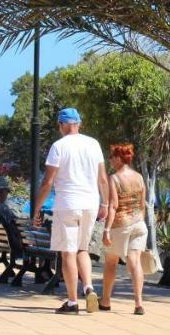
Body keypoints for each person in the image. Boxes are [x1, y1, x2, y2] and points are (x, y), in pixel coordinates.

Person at [33, 108, 111, 314]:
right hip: (90, 203)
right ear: (79, 123)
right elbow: (103, 179)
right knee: (82, 249)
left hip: (67, 204)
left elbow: (47, 182)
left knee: (68, 253)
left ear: (62, 124)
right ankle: (89, 287)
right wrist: (105, 204)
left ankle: (72, 301)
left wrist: (37, 208)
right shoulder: (93, 144)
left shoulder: (58, 146)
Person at [98, 143, 148, 315]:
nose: (110, 161)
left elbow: (113, 206)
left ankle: (105, 300)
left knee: (111, 262)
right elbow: (142, 204)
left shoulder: (115, 178)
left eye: (111, 157)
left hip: (121, 225)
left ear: (118, 158)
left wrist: (106, 230)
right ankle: (138, 303)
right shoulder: (139, 177)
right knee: (135, 262)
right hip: (139, 224)